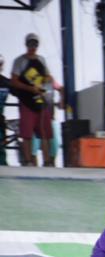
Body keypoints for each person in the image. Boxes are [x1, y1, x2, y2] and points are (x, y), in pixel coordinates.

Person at [10, 34, 61, 167]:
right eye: (30, 44)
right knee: (26, 133)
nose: (32, 47)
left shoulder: (41, 60)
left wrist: (46, 81)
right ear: (26, 44)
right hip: (26, 102)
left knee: (45, 133)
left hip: (41, 102)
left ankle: (47, 161)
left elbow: (48, 77)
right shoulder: (19, 61)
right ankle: (28, 161)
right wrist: (29, 88)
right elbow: (14, 81)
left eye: (35, 44)